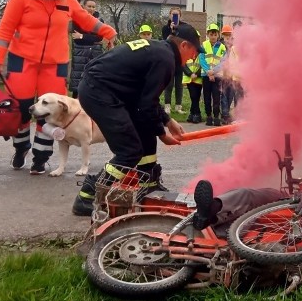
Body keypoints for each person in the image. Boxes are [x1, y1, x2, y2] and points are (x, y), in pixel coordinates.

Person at [0, 0, 116, 174]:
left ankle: (41, 157)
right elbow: (5, 29)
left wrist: (107, 31)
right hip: (22, 60)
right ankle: (21, 148)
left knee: (49, 112)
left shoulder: (67, 0)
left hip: (55, 63)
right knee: (21, 109)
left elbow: (85, 19)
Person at [71, 23, 209, 216]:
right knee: (129, 151)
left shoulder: (160, 51)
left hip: (107, 89)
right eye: (195, 50)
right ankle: (88, 195)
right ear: (184, 45)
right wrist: (162, 133)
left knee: (145, 131)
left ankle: (148, 185)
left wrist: (167, 121)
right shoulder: (166, 59)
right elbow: (146, 106)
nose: (195, 56)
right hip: (100, 92)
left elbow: (146, 99)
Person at [69, 0, 107, 98]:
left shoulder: (99, 20)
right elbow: (76, 38)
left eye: (93, 6)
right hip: (79, 54)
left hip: (95, 53)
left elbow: (99, 37)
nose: (91, 9)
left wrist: (82, 36)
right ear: (83, 7)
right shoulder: (77, 19)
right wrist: (90, 38)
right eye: (89, 6)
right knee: (77, 81)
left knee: (93, 79)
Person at [161, 8, 186, 115]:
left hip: (180, 58)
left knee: (179, 84)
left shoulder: (184, 28)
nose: (175, 16)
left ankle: (178, 106)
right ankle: (167, 105)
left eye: (177, 15)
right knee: (169, 83)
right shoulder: (165, 28)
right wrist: (171, 31)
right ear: (170, 15)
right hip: (169, 58)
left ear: (180, 16)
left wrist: (178, 30)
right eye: (173, 14)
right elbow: (166, 41)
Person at [202, 22, 227, 126]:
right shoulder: (203, 45)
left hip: (217, 76)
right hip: (206, 75)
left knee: (216, 97)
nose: (213, 37)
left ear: (218, 35)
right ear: (208, 34)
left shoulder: (222, 47)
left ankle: (216, 117)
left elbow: (223, 62)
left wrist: (214, 72)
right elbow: (201, 59)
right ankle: (209, 116)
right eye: (211, 34)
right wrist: (208, 72)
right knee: (207, 97)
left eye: (215, 34)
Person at [219, 23, 242, 124]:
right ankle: (225, 115)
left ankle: (236, 116)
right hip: (226, 75)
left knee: (235, 96)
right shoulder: (222, 47)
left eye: (229, 36)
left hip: (236, 76)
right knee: (225, 95)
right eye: (226, 36)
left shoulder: (236, 46)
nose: (228, 39)